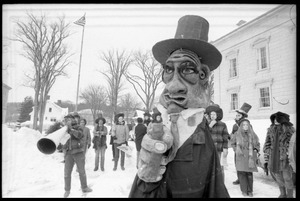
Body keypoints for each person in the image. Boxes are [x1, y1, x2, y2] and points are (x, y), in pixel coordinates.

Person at [129, 15, 229, 198]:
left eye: (187, 69)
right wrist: (147, 174)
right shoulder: (158, 122)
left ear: (203, 75)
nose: (173, 86)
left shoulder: (203, 134)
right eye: (169, 70)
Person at [263, 111, 295, 198]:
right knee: (278, 177)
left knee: (287, 178)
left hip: (286, 159)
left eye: (277, 118)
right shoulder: (271, 129)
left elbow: (293, 144)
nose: (275, 120)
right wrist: (268, 150)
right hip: (274, 157)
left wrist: (287, 152)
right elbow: (267, 142)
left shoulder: (290, 130)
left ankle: (290, 195)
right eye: (274, 119)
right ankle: (283, 194)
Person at [62, 114, 92, 198]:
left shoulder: (79, 127)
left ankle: (84, 187)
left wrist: (71, 130)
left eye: (68, 120)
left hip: (79, 152)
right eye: (65, 120)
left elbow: (79, 135)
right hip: (68, 154)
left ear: (72, 120)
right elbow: (62, 141)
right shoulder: (64, 129)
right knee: (67, 173)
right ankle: (67, 190)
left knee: (81, 172)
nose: (66, 121)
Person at [231, 119, 260, 197]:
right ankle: (244, 190)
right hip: (240, 156)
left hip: (250, 157)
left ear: (249, 126)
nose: (245, 126)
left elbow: (257, 144)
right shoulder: (237, 134)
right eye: (243, 125)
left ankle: (250, 190)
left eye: (247, 125)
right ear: (241, 126)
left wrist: (255, 149)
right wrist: (236, 149)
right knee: (242, 174)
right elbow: (232, 143)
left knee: (249, 174)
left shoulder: (253, 134)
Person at [205, 104, 229, 181]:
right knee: (209, 166)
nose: (212, 116)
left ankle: (220, 183)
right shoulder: (206, 124)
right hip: (209, 149)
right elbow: (204, 135)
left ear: (217, 115)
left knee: (219, 166)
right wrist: (209, 126)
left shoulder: (222, 124)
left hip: (219, 149)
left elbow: (225, 137)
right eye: (211, 114)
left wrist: (225, 148)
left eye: (214, 114)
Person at [230, 102, 252, 185]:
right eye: (236, 115)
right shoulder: (235, 125)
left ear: (243, 116)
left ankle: (246, 181)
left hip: (245, 148)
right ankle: (240, 178)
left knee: (245, 164)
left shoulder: (247, 125)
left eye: (238, 115)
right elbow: (232, 135)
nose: (236, 117)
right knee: (237, 164)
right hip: (237, 148)